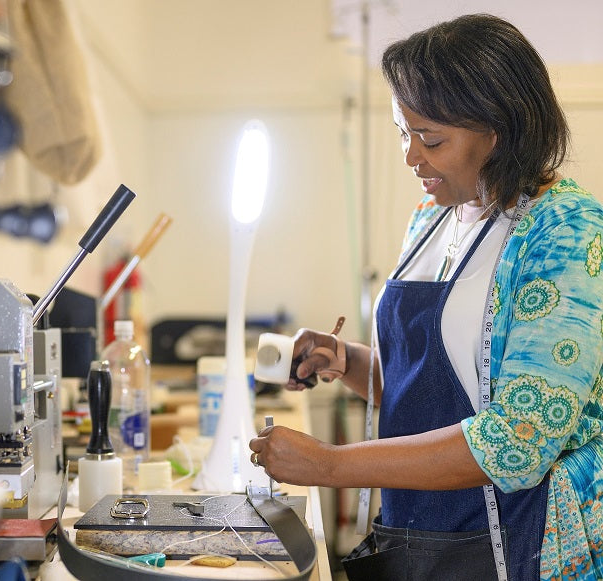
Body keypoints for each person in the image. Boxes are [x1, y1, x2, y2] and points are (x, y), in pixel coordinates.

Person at [248, 13, 603, 581]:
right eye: (402, 132)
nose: (411, 157)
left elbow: (519, 440)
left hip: (517, 544)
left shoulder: (564, 230)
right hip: (415, 530)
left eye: (430, 138)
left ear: (501, 129)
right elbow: (438, 390)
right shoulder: (432, 220)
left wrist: (333, 465)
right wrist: (349, 364)